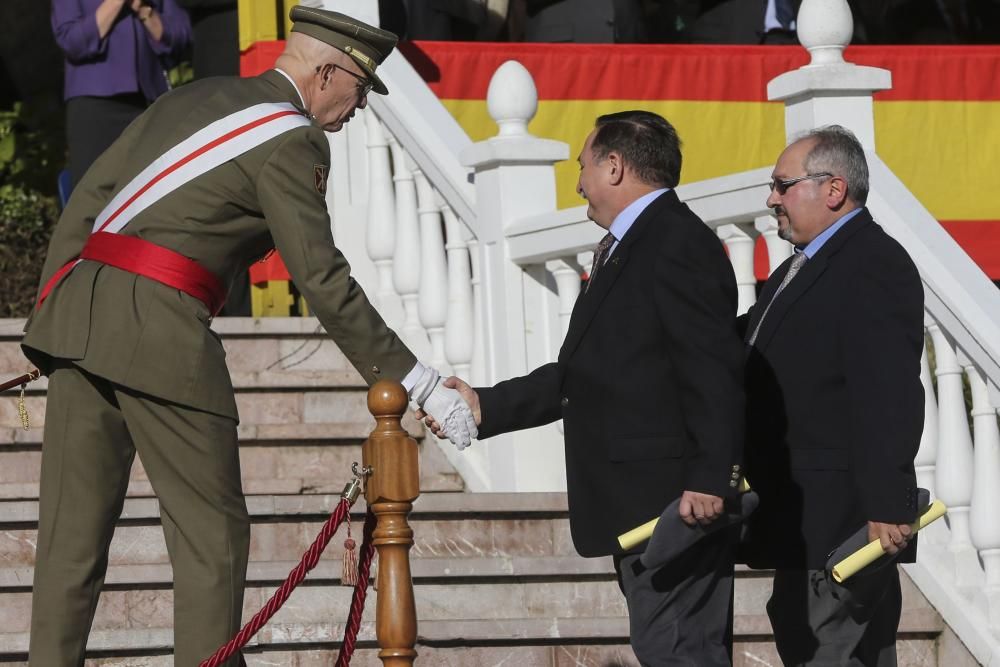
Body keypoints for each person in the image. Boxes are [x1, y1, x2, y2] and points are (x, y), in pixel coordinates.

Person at [22, 7, 476, 665]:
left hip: (79, 319)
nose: (356, 111)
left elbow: (89, 196)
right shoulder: (293, 139)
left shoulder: (194, 95)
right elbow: (321, 278)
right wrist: (421, 382)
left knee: (69, 545)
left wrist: (54, 314)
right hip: (164, 333)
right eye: (359, 90)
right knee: (213, 537)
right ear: (326, 72)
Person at [425, 110, 746, 665]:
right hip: (640, 507)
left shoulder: (674, 243)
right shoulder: (634, 243)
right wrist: (486, 406)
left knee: (680, 651)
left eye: (584, 166)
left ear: (615, 166)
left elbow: (713, 369)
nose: (578, 185)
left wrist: (709, 478)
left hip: (675, 507)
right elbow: (584, 376)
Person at [739, 125, 924, 665]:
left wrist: (888, 503)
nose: (772, 198)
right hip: (801, 515)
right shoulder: (801, 266)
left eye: (782, 184)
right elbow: (748, 338)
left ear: (834, 190)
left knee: (831, 649)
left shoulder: (872, 262)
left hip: (843, 519)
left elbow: (887, 392)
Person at [52, 0, 192, 187]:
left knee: (153, 193)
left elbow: (181, 35)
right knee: (94, 196)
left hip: (148, 102)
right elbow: (71, 41)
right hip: (94, 104)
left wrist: (143, 10)